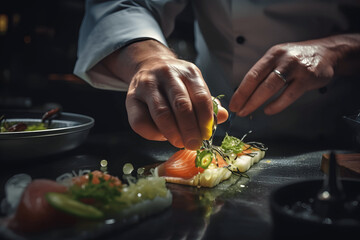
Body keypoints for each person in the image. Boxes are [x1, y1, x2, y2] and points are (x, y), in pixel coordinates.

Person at [74, 0, 360, 150]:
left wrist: (340, 49)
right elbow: (122, 3)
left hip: (344, 138)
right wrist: (148, 59)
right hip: (216, 133)